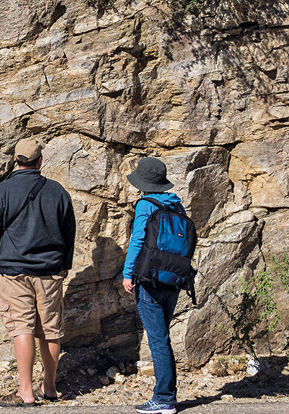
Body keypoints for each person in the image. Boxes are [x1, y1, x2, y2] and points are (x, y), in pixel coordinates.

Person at [0, 137, 76, 407]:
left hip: (14, 272)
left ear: (16, 160)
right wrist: (65, 264)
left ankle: (26, 391)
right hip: (50, 271)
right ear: (39, 162)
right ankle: (51, 387)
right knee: (50, 329)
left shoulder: (3, 190)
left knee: (22, 327)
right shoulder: (57, 191)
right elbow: (69, 232)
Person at [122, 157, 185, 414]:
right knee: (163, 337)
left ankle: (164, 398)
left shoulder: (145, 205)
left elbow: (138, 241)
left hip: (149, 279)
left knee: (158, 340)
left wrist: (128, 274)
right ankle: (167, 394)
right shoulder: (177, 205)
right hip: (173, 278)